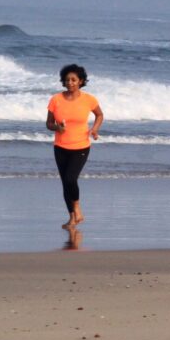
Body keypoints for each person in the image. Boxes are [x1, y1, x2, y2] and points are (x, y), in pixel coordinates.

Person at [46, 63, 103, 229]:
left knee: (71, 178)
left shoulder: (89, 99)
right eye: (67, 80)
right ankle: (72, 217)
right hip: (60, 147)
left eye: (73, 79)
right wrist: (57, 127)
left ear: (81, 81)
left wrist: (94, 129)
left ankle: (77, 209)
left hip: (81, 147)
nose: (70, 82)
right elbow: (49, 123)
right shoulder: (56, 99)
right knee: (65, 183)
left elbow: (99, 115)